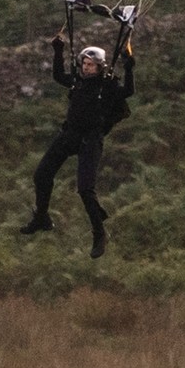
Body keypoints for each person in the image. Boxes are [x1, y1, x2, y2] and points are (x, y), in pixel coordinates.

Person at [20, 36, 135, 258]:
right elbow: (57, 75)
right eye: (84, 64)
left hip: (90, 139)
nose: (86, 67)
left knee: (85, 189)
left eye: (90, 65)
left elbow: (128, 92)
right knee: (41, 175)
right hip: (70, 134)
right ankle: (42, 217)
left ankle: (99, 233)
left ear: (100, 67)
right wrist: (58, 51)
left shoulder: (107, 85)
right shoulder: (77, 80)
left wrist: (129, 68)